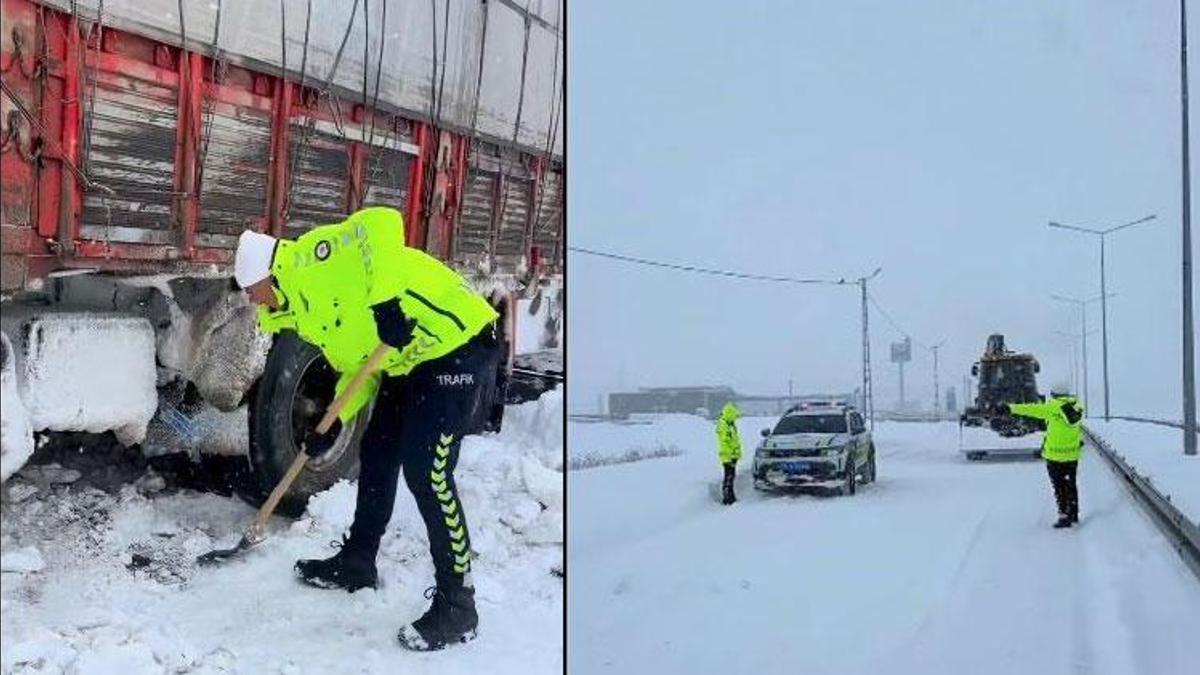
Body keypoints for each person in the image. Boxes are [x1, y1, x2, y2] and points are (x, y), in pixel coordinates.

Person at [233, 206, 502, 650]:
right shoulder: (301, 315)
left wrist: (385, 302)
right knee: (377, 452)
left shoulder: (312, 258)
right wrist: (335, 417)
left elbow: (383, 223)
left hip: (456, 340)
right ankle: (359, 561)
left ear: (268, 276)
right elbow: (359, 368)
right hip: (406, 358)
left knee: (427, 471)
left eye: (251, 290)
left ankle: (459, 604)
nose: (251, 301)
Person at [1009, 387, 1085, 528]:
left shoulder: (1052, 407)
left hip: (1054, 456)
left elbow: (1030, 409)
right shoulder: (1078, 408)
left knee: (1059, 487)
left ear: (1054, 394)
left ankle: (1064, 516)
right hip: (1072, 455)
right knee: (1071, 484)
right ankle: (1073, 513)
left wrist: (1010, 408)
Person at [715, 402, 743, 504]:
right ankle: (727, 498)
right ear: (730, 414)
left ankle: (731, 496)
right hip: (728, 456)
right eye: (734, 415)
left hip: (732, 455)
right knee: (729, 477)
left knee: (731, 476)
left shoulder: (730, 424)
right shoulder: (724, 425)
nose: (735, 418)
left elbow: (734, 440)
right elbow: (724, 442)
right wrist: (730, 456)